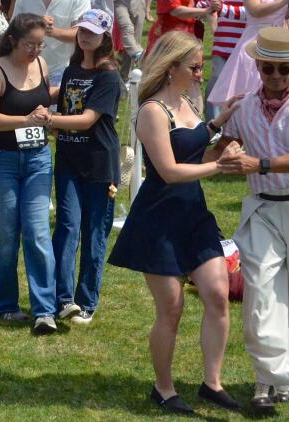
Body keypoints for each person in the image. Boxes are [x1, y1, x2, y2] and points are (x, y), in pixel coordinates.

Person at [108, 31, 243, 415]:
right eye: (195, 67)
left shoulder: (189, 100)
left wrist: (219, 127)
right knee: (172, 307)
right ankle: (163, 388)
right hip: (159, 218)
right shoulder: (152, 111)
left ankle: (212, 384)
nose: (202, 73)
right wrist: (219, 165)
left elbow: (194, 146)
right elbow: (167, 170)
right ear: (172, 69)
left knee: (217, 294)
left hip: (193, 215)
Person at [215, 27, 289, 413]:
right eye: (268, 69)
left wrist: (259, 163)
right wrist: (228, 144)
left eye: (284, 70)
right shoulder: (244, 105)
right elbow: (223, 144)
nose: (277, 77)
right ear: (258, 66)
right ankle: (267, 378)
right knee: (261, 297)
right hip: (263, 208)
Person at [0, 13, 59, 332]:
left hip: (37, 158)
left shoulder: (41, 66)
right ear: (13, 40)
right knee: (6, 234)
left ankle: (44, 310)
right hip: (1, 160)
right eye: (30, 44)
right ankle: (5, 304)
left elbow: (44, 102)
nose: (36, 50)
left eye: (40, 44)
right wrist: (25, 120)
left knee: (37, 232)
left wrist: (45, 115)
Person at [45, 9, 122, 326]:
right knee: (66, 227)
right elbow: (58, 96)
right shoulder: (72, 69)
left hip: (99, 164)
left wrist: (50, 121)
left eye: (92, 31)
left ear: (105, 37)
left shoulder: (109, 76)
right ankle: (62, 299)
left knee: (94, 233)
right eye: (81, 30)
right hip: (68, 160)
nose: (85, 35)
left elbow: (87, 119)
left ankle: (87, 301)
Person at [207, 0, 289, 106]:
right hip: (256, 40)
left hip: (278, 40)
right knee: (251, 89)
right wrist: (286, 1)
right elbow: (256, 10)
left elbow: (286, 15)